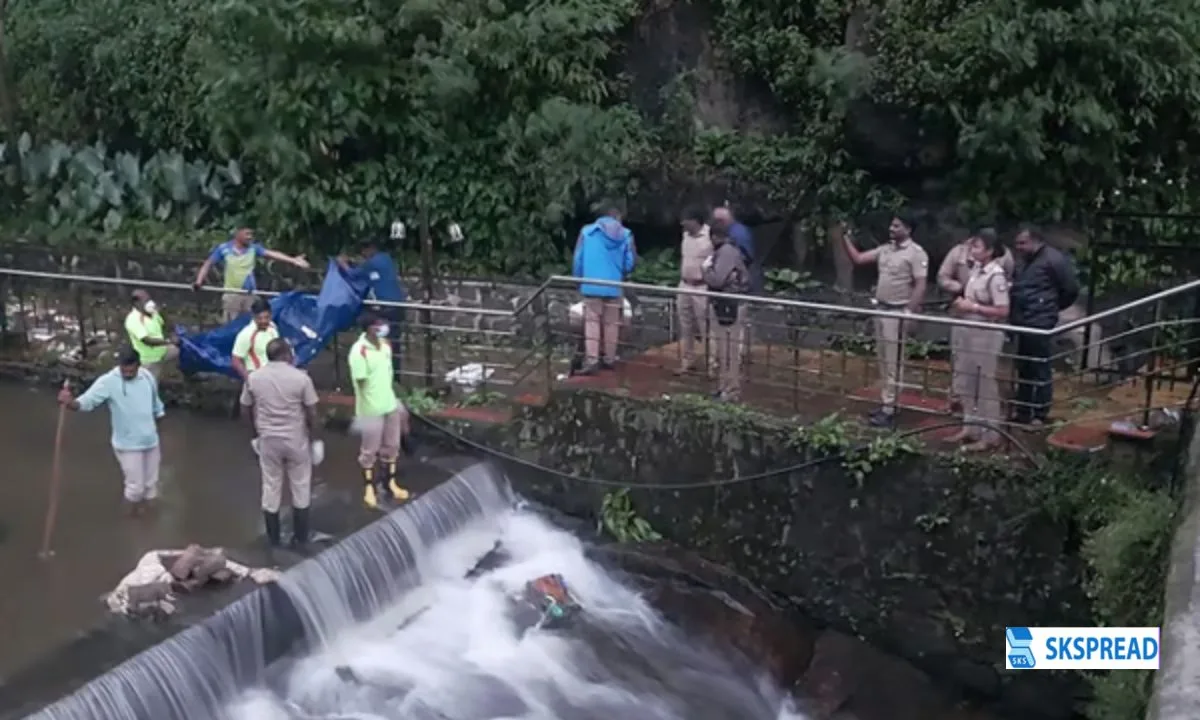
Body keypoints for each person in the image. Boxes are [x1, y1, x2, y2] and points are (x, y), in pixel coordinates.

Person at [842, 212, 929, 427]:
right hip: (881, 308)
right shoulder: (885, 249)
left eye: (897, 225)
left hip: (897, 311)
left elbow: (920, 284)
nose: (892, 228)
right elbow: (859, 259)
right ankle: (887, 402)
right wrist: (844, 237)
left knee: (894, 361)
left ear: (908, 229)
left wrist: (910, 311)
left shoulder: (916, 253)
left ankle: (890, 408)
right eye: (892, 225)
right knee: (883, 359)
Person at [58, 346, 165, 516]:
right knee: (135, 489)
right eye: (124, 370)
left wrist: (158, 428)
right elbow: (87, 402)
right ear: (120, 366)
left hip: (151, 441)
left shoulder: (147, 377)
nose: (128, 373)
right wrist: (70, 403)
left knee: (151, 488)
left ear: (138, 365)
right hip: (127, 444)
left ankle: (147, 525)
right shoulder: (108, 381)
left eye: (131, 370)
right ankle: (126, 525)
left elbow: (156, 406)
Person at [240, 338, 319, 549]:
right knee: (301, 485)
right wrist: (314, 437)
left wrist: (254, 435)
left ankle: (274, 540)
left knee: (271, 485)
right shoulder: (301, 378)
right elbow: (312, 411)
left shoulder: (253, 379)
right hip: (295, 439)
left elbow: (245, 409)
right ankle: (300, 537)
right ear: (286, 354)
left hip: (268, 440)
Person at [1009, 225, 1080, 425]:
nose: (1018, 247)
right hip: (1022, 320)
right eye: (1017, 243)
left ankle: (1040, 413)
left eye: (1022, 243)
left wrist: (1051, 308)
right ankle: (1023, 411)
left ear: (1035, 240)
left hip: (1040, 320)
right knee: (1024, 367)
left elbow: (1071, 289)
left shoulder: (1053, 259)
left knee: (1040, 367)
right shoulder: (1025, 261)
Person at [946, 232, 1010, 451]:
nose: (972, 251)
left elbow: (1002, 310)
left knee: (985, 384)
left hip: (986, 334)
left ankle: (990, 434)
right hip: (968, 330)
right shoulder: (975, 270)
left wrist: (973, 307)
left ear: (989, 251)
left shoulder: (996, 275)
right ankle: (970, 426)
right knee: (965, 379)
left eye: (977, 247)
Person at [349, 312, 411, 509]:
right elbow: (361, 382)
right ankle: (369, 488)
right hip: (371, 409)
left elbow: (388, 375)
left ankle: (390, 483)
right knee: (369, 451)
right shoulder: (358, 352)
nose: (382, 328)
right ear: (368, 329)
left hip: (389, 404)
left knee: (392, 446)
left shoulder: (385, 346)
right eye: (377, 325)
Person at [193, 227, 310, 322]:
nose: (250, 237)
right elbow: (208, 264)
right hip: (232, 294)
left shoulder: (254, 248)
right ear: (238, 234)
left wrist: (292, 260)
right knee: (230, 325)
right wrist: (199, 281)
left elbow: (272, 254)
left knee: (251, 324)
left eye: (251, 234)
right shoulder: (224, 249)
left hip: (250, 295)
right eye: (247, 234)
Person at [572, 206, 636, 375]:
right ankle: (609, 359)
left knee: (592, 322)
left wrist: (578, 280)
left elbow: (578, 259)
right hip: (614, 286)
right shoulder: (626, 235)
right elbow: (629, 264)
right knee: (611, 323)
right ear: (616, 217)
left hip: (591, 284)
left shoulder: (587, 232)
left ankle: (592, 360)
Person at [338, 238, 408, 374]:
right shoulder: (385, 259)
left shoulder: (370, 264)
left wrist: (343, 263)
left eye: (363, 252)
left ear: (369, 249)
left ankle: (381, 367)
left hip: (386, 308)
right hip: (398, 306)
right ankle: (395, 373)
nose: (363, 255)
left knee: (371, 326)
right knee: (394, 341)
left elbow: (353, 274)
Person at [702, 225, 750, 402]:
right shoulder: (727, 250)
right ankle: (723, 388)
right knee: (724, 349)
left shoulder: (726, 251)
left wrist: (705, 269)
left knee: (730, 350)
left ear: (715, 237)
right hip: (725, 303)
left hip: (731, 305)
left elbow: (717, 279)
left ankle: (731, 390)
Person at [675, 205, 714, 376]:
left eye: (686, 220)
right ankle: (687, 361)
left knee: (706, 326)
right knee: (685, 325)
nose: (683, 223)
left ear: (695, 221)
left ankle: (713, 364)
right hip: (684, 285)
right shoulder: (685, 236)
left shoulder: (710, 236)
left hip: (702, 286)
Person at [124, 289, 178, 380]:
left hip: (163, 351)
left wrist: (162, 312)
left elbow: (168, 325)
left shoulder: (153, 313)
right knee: (150, 385)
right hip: (149, 360)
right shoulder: (133, 320)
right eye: (146, 301)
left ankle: (185, 371)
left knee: (181, 349)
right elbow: (147, 341)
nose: (150, 303)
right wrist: (168, 341)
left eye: (150, 300)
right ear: (137, 303)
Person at [232, 298, 280, 380]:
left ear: (271, 315)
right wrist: (249, 379)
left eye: (266, 317)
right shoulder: (246, 334)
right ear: (253, 316)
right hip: (257, 377)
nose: (263, 321)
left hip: (274, 376)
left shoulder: (273, 328)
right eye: (259, 318)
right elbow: (236, 360)